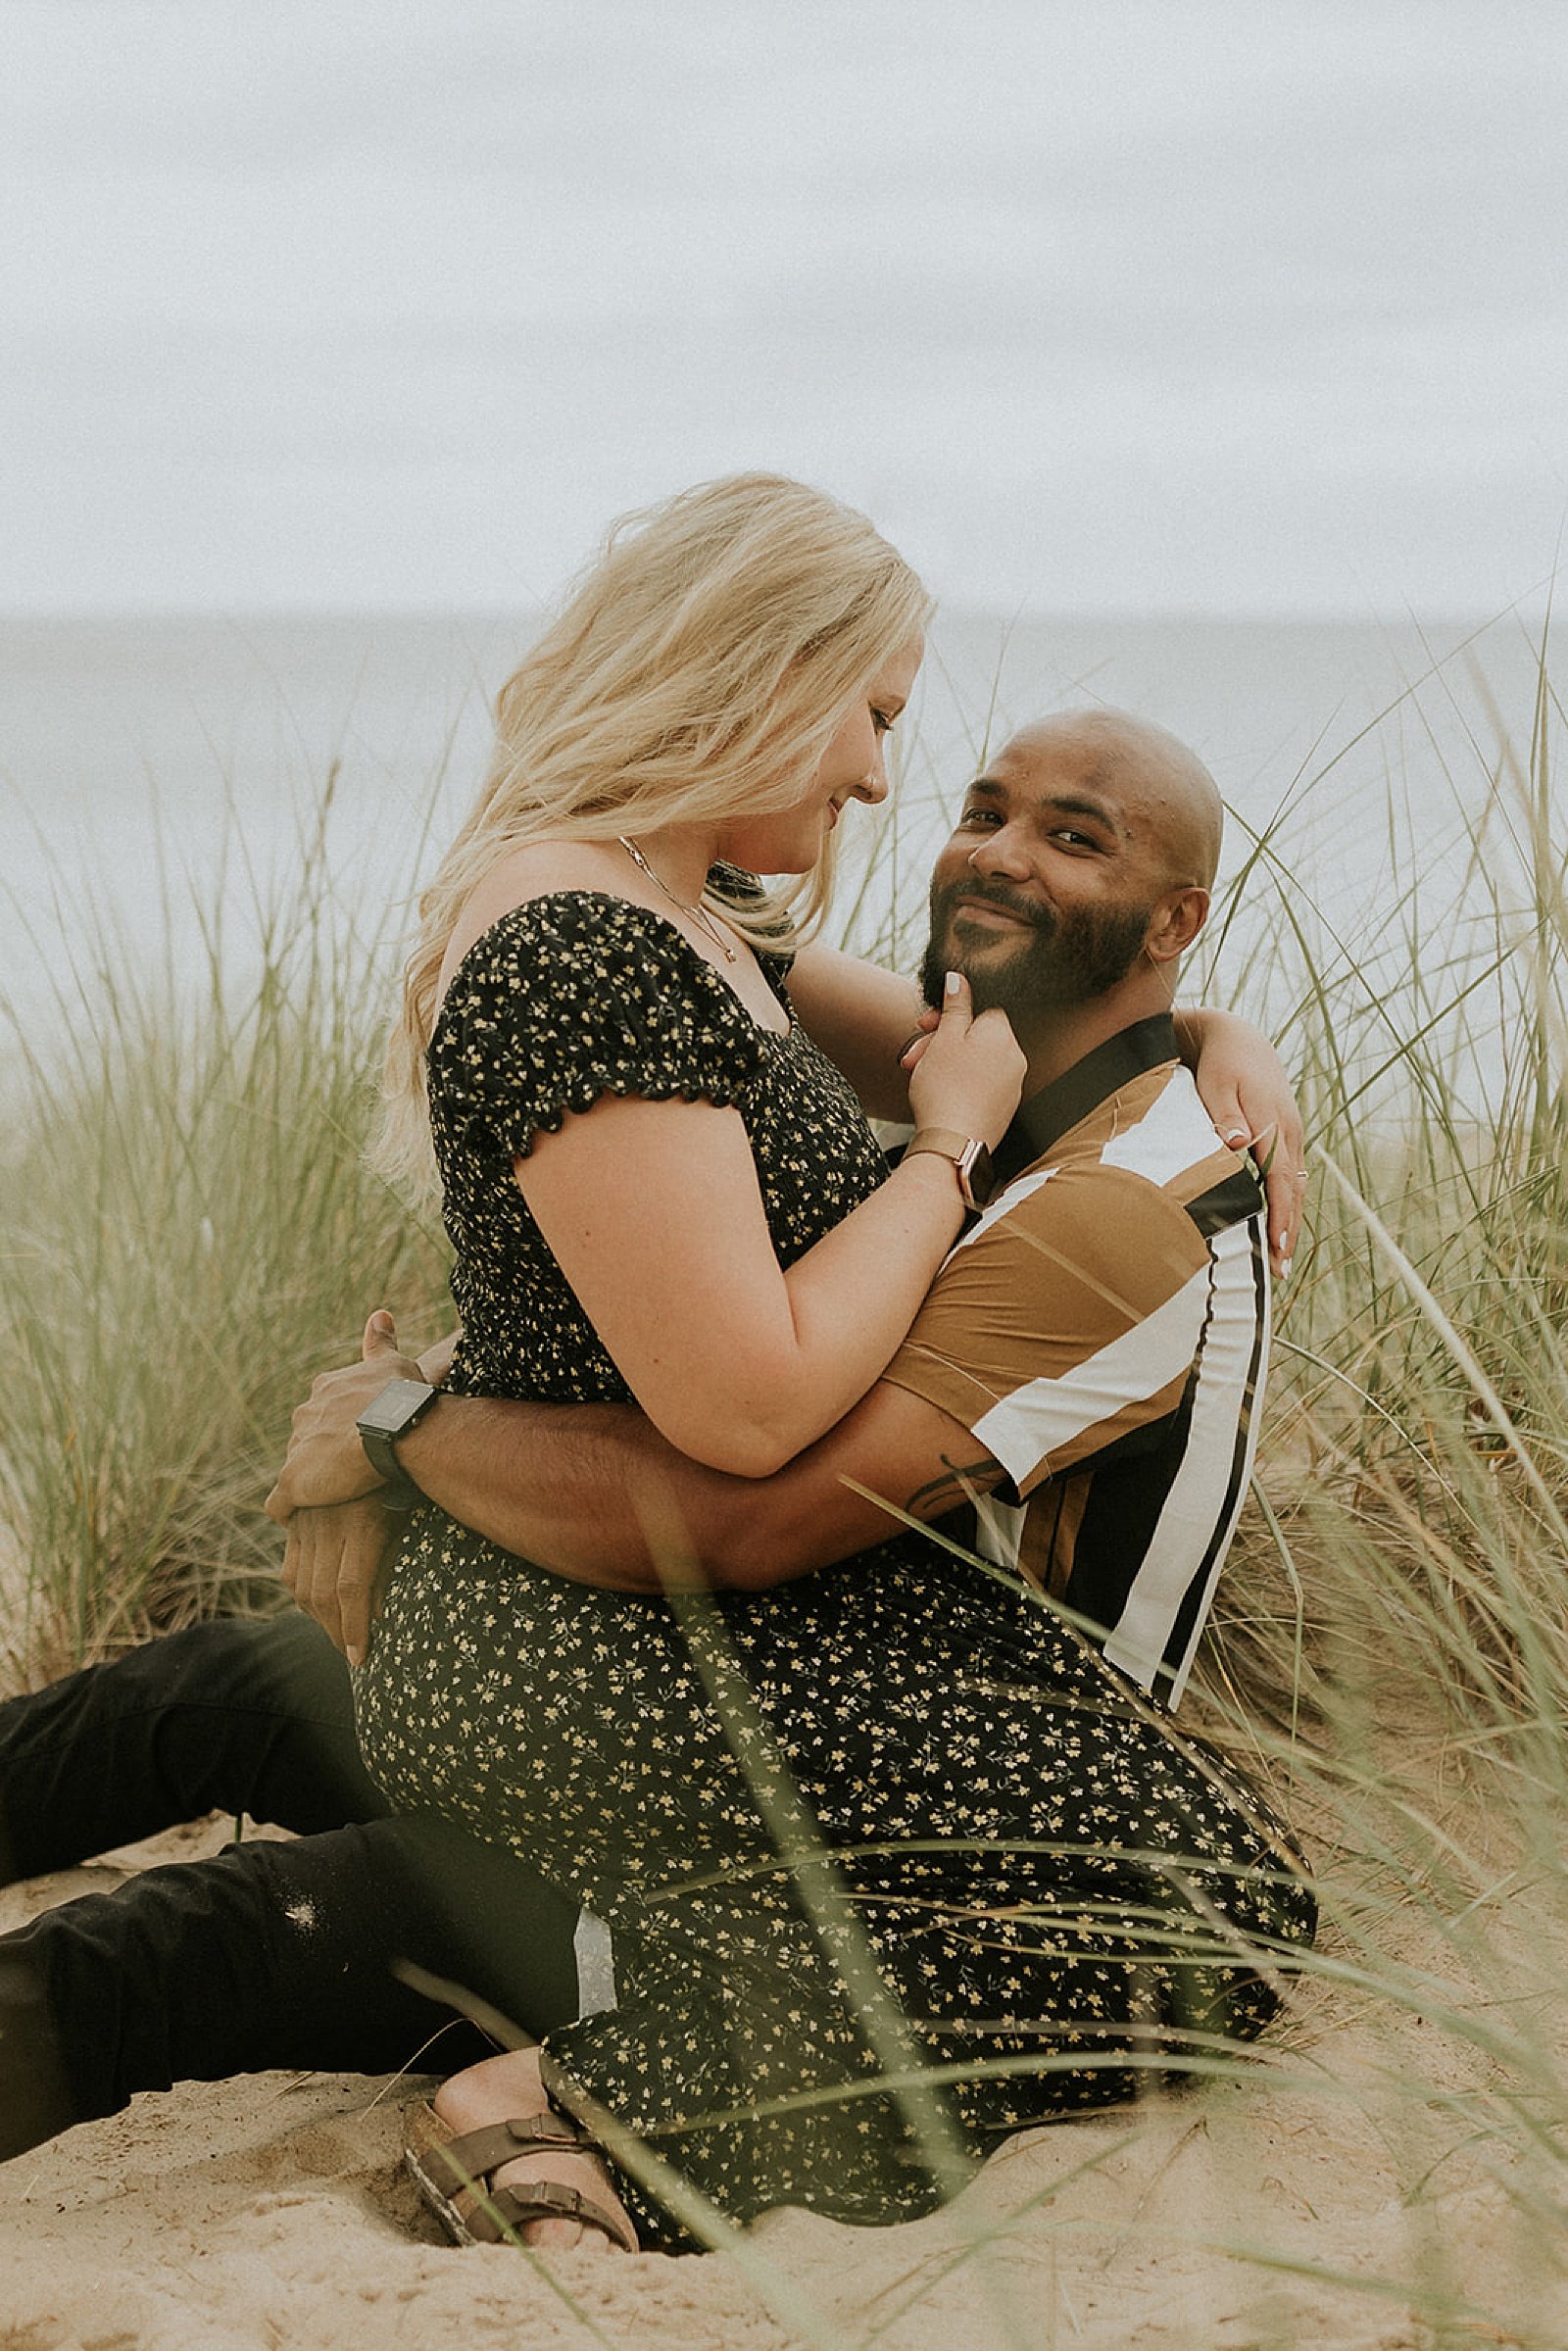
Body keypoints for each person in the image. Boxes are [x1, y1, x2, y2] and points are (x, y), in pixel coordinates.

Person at [0, 710, 1306, 2206]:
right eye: (984, 809)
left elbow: (740, 1516)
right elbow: (696, 949)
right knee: (215, 1693)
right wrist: (1212, 1024)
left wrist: (395, 1429)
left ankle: (563, 2114)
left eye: (1075, 838)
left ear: (1174, 915)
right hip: (759, 1695)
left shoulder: (1107, 1205)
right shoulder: (1001, 1086)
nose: (996, 854)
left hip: (920, 1840)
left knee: (222, 1941)